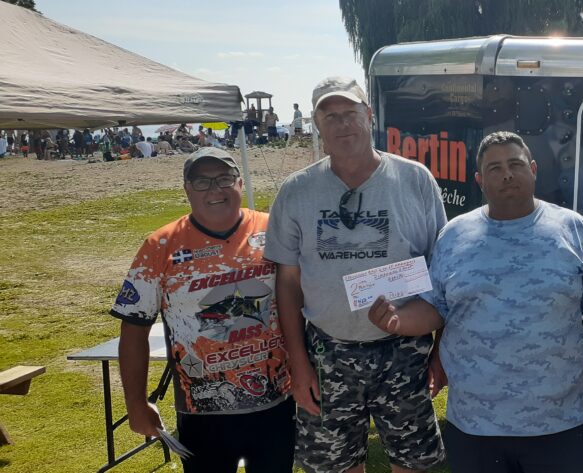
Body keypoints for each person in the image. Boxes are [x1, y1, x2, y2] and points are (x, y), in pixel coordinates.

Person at [367, 131, 583, 473]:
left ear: (533, 169)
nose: (507, 174)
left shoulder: (572, 229)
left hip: (561, 423)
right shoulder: (454, 235)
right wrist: (398, 320)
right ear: (480, 180)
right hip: (475, 426)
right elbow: (436, 307)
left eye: (515, 164)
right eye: (494, 168)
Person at [264, 76, 446, 473]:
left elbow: (443, 273)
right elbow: (288, 284)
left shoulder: (415, 180)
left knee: (412, 464)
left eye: (350, 113)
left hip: (405, 351)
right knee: (337, 467)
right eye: (330, 116)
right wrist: (299, 363)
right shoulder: (296, 191)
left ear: (369, 116)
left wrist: (440, 352)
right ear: (316, 124)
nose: (342, 123)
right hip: (328, 352)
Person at [111, 147, 294, 472]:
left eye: (224, 179)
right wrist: (136, 403)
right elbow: (134, 328)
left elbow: (301, 300)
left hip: (276, 403)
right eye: (202, 182)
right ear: (186, 188)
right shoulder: (159, 246)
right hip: (202, 410)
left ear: (240, 183)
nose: (215, 190)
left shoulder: (274, 229)